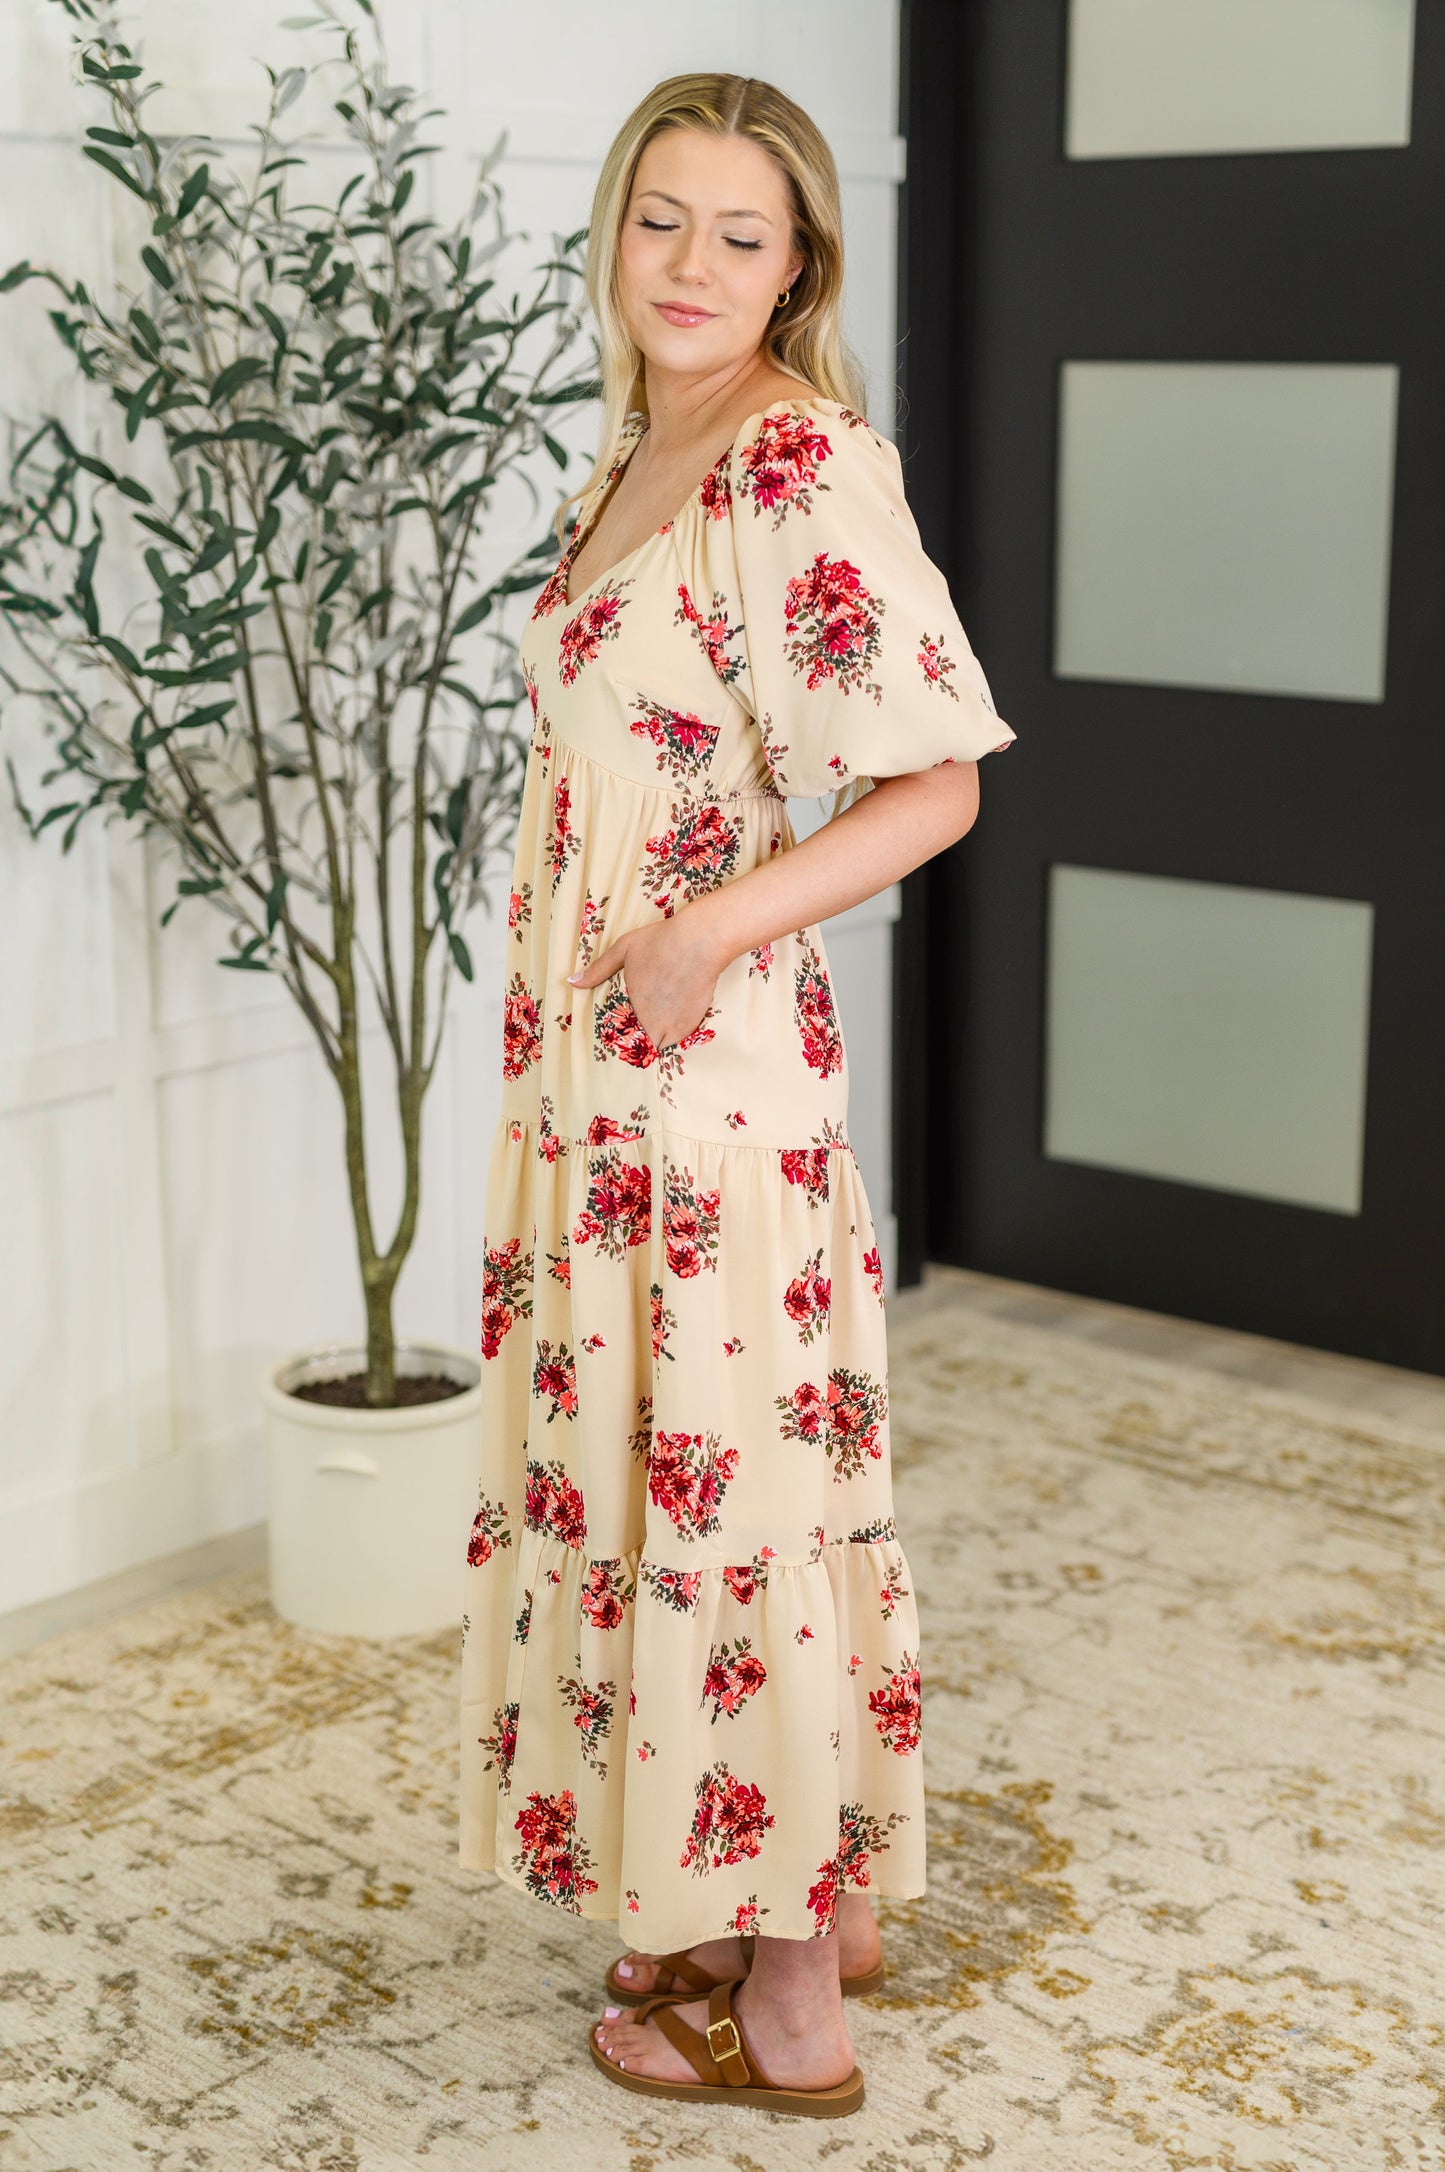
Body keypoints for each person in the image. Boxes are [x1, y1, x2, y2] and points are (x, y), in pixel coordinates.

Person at [457, 70, 1016, 2119]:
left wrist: (700, 938)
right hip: (597, 1081)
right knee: (664, 1481)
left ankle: (790, 2001)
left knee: (737, 1502)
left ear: (802, 266)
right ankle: (792, 1884)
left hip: (702, 1092)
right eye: (660, 220)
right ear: (615, 234)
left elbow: (936, 778)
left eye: (741, 233)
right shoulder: (644, 440)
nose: (691, 265)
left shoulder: (794, 461)